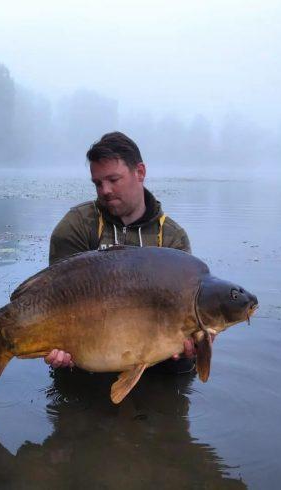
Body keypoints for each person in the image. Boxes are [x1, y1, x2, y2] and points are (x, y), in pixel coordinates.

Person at [45, 131, 196, 373]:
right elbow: (55, 298)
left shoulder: (171, 237)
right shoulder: (76, 226)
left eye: (113, 180)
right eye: (97, 183)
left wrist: (194, 343)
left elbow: (184, 310)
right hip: (87, 364)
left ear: (140, 172)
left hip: (157, 368)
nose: (105, 190)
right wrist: (56, 347)